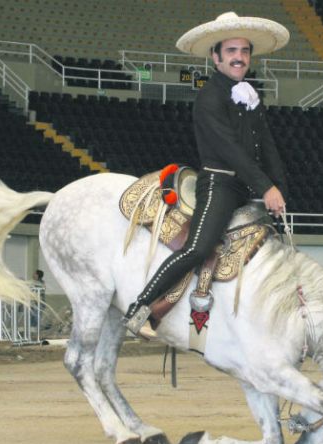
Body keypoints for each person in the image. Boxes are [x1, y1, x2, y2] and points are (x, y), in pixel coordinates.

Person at [122, 12, 290, 339]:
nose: (239, 57)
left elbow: (268, 146)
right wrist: (265, 186)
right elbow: (230, 150)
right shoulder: (209, 97)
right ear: (216, 57)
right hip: (220, 184)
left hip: (247, 186)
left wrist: (280, 189)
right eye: (231, 51)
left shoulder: (250, 96)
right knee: (198, 249)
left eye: (244, 51)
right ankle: (139, 310)